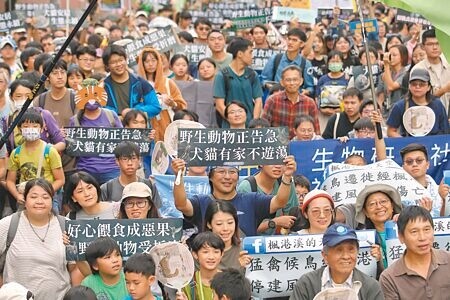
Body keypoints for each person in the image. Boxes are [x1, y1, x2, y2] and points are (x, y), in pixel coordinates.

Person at [171, 155, 297, 236]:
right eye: (221, 172)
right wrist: (178, 175)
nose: (227, 177)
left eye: (232, 172)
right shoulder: (201, 202)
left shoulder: (252, 200)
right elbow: (181, 204)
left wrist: (286, 176)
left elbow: (279, 201)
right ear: (211, 177)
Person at [0, 179, 73, 299]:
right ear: (25, 199)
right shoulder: (8, 225)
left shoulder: (66, 225)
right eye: (33, 197)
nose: (40, 201)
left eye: (45, 197)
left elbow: (75, 269)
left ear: (52, 199)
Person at [289, 223, 384, 300]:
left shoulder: (371, 287)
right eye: (339, 250)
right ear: (325, 256)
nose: (346, 256)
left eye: (351, 249)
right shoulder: (307, 284)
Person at [379, 206, 450, 299]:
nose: (422, 237)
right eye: (414, 231)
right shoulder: (389, 278)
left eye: (426, 230)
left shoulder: (447, 260)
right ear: (401, 237)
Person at [6, 108, 65, 210]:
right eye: (26, 126)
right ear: (20, 129)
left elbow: (60, 180)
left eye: (35, 126)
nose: (30, 129)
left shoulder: (50, 151)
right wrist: (17, 195)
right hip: (25, 198)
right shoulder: (16, 153)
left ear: (41, 129)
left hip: (49, 196)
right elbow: (10, 181)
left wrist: (46, 193)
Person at [136, 47, 187, 142]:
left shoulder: (168, 83)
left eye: (153, 60)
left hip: (166, 125)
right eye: (146, 61)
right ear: (141, 63)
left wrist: (173, 104)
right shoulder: (136, 84)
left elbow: (182, 106)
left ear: (158, 61)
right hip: (144, 125)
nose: (150, 64)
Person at [237, 162, 298, 235]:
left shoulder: (286, 183)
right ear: (260, 163)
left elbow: (291, 215)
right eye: (272, 161)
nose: (277, 166)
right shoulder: (246, 187)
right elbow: (244, 228)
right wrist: (273, 222)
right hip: (251, 242)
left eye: (281, 162)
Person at [213, 37, 262, 127]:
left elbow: (258, 100)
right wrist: (234, 121)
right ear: (240, 54)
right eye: (250, 52)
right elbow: (219, 105)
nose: (253, 56)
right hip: (228, 128)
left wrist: (254, 123)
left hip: (249, 127)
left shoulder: (252, 75)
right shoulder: (222, 75)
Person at [102, 44, 161, 118]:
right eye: (113, 62)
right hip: (113, 128)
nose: (118, 64)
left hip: (137, 127)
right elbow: (97, 109)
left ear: (126, 60)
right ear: (107, 65)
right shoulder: (103, 86)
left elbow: (155, 107)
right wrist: (114, 116)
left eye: (121, 60)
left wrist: (133, 111)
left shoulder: (140, 82)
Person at [262, 65, 320, 139]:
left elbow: (316, 131)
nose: (292, 83)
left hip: (301, 146)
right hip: (278, 146)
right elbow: (264, 128)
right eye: (288, 80)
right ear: (282, 82)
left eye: (295, 79)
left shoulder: (310, 103)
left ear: (301, 81)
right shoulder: (273, 100)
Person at [386, 68, 449, 137]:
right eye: (414, 84)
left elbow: (445, 131)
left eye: (422, 84)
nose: (417, 87)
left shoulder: (438, 105)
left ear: (428, 87)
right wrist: (404, 141)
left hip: (434, 145)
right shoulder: (400, 106)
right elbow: (390, 131)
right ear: (409, 86)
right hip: (410, 145)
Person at [355, 184, 402, 270]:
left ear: (392, 206)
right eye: (372, 204)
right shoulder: (361, 239)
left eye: (383, 201)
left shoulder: (406, 227)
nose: (379, 206)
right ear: (366, 212)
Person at [101, 141, 161, 207]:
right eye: (125, 159)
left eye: (133, 158)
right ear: (117, 161)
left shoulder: (149, 186)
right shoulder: (107, 188)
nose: (130, 163)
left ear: (139, 160)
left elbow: (157, 212)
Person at [261, 28, 314, 96]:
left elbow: (310, 86)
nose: (290, 42)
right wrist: (268, 85)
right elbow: (263, 79)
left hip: (295, 101)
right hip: (276, 99)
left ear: (302, 44)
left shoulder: (306, 63)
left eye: (294, 40)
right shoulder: (275, 58)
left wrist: (306, 91)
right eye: (289, 39)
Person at [400, 143, 447, 217]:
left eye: (419, 160)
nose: (414, 164)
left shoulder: (441, 191)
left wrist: (444, 201)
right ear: (403, 168)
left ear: (428, 164)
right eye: (409, 162)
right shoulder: (399, 194)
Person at [412, 29, 450, 116]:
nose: (435, 47)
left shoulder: (448, 64)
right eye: (430, 44)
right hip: (427, 117)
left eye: (437, 43)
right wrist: (444, 90)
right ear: (423, 46)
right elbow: (419, 98)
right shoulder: (418, 70)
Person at [203, 200, 251, 270]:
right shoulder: (201, 252)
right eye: (219, 224)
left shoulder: (244, 250)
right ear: (209, 224)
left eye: (230, 222)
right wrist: (239, 267)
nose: (225, 228)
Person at [177, 232, 224, 300]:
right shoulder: (187, 282)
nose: (211, 257)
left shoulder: (230, 281)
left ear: (222, 254)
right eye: (205, 252)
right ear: (195, 254)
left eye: (216, 252)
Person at [316, 50, 349, 117]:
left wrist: (343, 109)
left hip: (343, 115)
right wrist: (322, 109)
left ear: (342, 63)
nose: (335, 64)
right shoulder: (322, 79)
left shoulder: (347, 79)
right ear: (328, 63)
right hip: (325, 115)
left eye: (337, 62)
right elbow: (317, 97)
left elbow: (350, 96)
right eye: (332, 62)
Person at [377, 44, 408, 113]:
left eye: (394, 55)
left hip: (400, 110)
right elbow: (380, 96)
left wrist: (386, 65)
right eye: (389, 55)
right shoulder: (384, 74)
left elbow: (391, 86)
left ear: (402, 57)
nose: (391, 58)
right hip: (386, 111)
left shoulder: (406, 73)